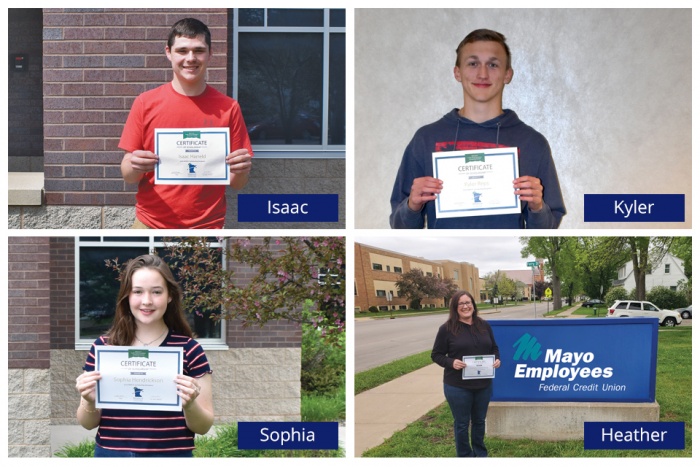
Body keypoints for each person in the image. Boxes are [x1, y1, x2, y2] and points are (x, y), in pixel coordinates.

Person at [390, 29, 565, 229]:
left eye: (493, 64)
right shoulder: (426, 139)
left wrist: (537, 208)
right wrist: (412, 206)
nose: (482, 74)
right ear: (457, 72)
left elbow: (547, 229)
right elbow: (399, 225)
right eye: (473, 64)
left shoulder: (533, 143)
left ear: (507, 74)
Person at [119, 18, 253, 229]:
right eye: (182, 50)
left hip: (207, 227)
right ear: (168, 53)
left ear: (210, 54)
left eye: (198, 50)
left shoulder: (229, 108)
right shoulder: (145, 103)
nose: (191, 58)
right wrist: (135, 164)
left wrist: (242, 169)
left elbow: (237, 183)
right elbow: (128, 175)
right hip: (150, 224)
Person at [75, 255, 213, 457]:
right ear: (127, 296)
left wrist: (190, 405)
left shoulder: (190, 349)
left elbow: (203, 427)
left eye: (156, 292)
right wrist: (88, 400)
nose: (147, 301)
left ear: (170, 296)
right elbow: (87, 424)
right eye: (138, 292)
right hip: (112, 455)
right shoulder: (104, 348)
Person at [431, 291, 500, 457]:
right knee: (462, 424)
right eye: (461, 303)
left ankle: (480, 453)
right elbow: (436, 355)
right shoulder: (446, 329)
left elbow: (494, 348)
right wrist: (451, 362)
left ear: (473, 305)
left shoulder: (484, 325)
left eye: (468, 302)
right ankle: (464, 456)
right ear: (455, 307)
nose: (465, 306)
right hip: (457, 386)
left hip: (483, 385)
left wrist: (497, 359)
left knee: (479, 421)